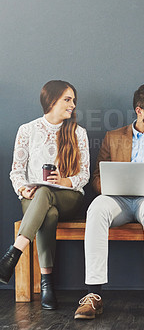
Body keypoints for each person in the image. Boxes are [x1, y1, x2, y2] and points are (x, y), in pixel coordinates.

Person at [74, 84, 144, 321]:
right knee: (96, 208)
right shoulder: (113, 137)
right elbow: (96, 178)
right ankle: (93, 294)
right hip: (118, 200)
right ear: (139, 110)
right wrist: (106, 186)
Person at [0, 80, 90, 310]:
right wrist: (23, 189)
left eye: (73, 100)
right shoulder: (27, 130)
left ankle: (14, 252)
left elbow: (85, 175)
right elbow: (16, 171)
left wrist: (63, 181)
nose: (73, 104)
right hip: (34, 198)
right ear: (51, 101)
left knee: (47, 191)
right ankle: (47, 282)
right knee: (47, 211)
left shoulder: (78, 133)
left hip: (69, 197)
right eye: (67, 99)